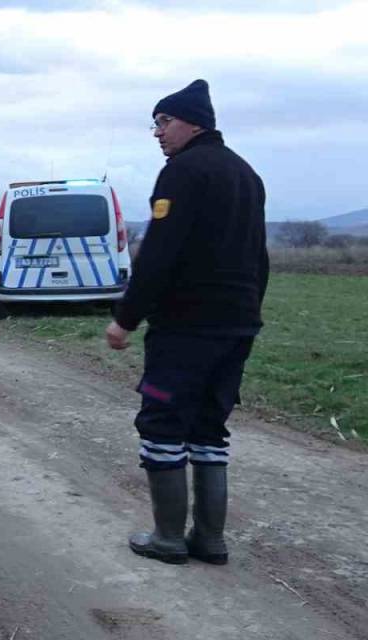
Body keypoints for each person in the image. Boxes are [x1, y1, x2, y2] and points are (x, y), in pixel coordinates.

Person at [105, 79, 268, 565]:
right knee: (209, 428)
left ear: (193, 122)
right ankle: (210, 541)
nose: (157, 133)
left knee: (161, 422)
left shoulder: (182, 172)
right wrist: (248, 312)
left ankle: (169, 538)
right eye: (155, 122)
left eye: (164, 121)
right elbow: (258, 258)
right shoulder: (246, 174)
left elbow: (160, 252)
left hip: (185, 330)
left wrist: (125, 319)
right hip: (237, 327)